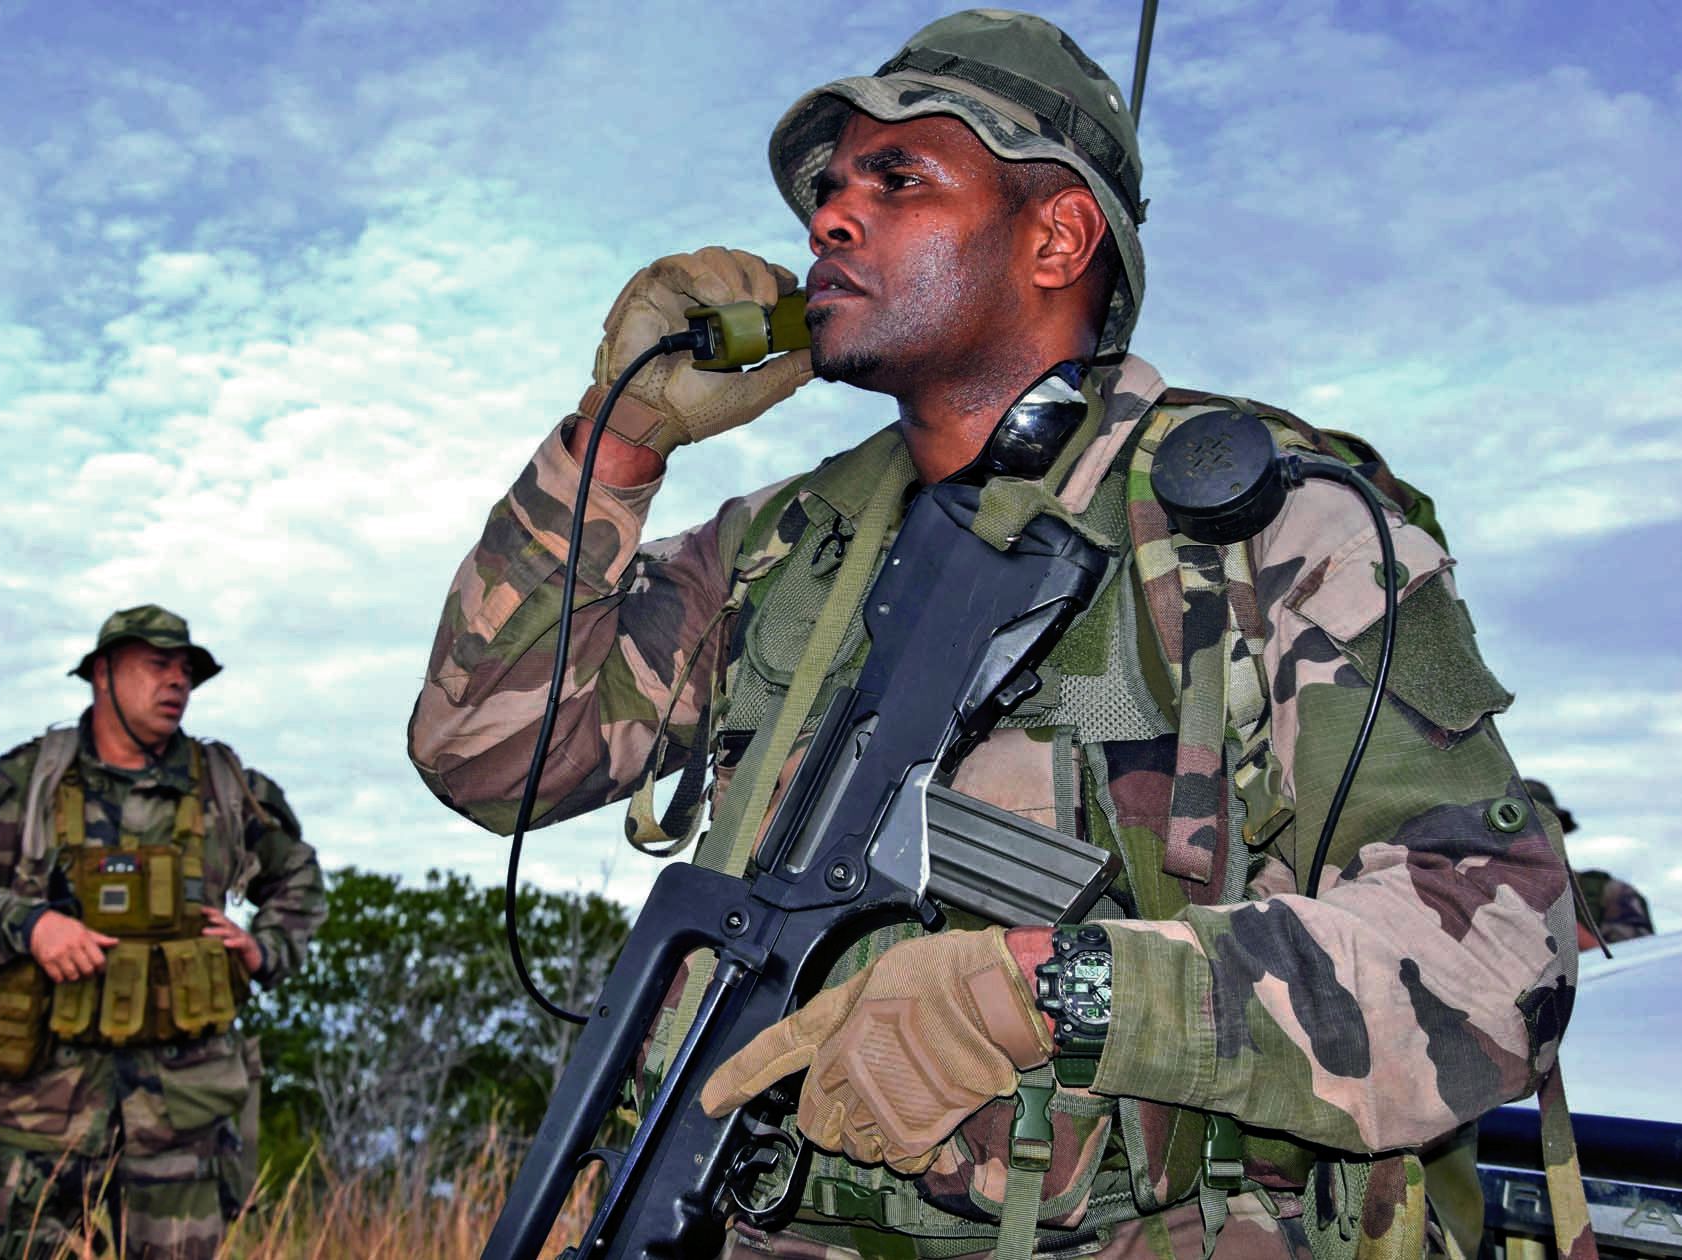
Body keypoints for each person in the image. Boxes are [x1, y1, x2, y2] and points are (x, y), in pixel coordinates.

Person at [410, 12, 1578, 1258]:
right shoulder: (781, 547)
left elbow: (1500, 947)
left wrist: (1054, 990)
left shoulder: (1264, 524)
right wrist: (621, 437)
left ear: (1059, 235)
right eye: (829, 186)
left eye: (896, 177)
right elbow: (486, 749)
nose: (829, 219)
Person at [0, 605, 325, 1259]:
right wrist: (31, 925)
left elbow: (297, 878)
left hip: (179, 1120)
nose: (177, 683)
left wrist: (264, 948)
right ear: (103, 673)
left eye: (186, 670)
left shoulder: (225, 787)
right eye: (157, 664)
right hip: (39, 1113)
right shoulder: (26, 784)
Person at [1524, 779, 1657, 948]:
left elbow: (1633, 965)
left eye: (1541, 824)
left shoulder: (1609, 894)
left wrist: (1557, 919)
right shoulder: (1484, 896)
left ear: (1561, 830)